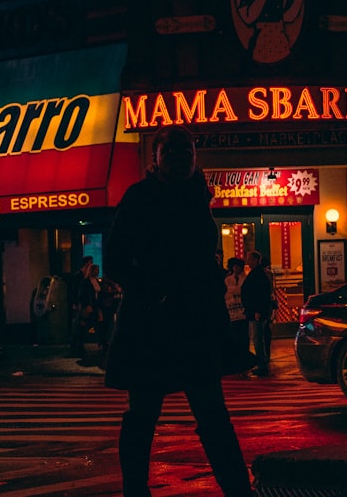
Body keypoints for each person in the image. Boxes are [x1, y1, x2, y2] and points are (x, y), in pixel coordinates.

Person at [103, 125, 252, 496]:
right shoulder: (140, 197)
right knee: (145, 414)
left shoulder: (197, 196)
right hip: (153, 322)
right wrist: (153, 291)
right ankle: (136, 491)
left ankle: (237, 489)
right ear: (155, 157)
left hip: (193, 322)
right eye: (170, 150)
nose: (180, 156)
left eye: (186, 149)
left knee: (209, 414)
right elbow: (115, 259)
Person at [242, 250, 273, 377]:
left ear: (255, 260)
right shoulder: (258, 273)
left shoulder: (258, 275)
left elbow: (260, 294)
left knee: (258, 338)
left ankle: (262, 364)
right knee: (258, 338)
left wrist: (257, 311)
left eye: (249, 258)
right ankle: (262, 362)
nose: (247, 261)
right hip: (254, 311)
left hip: (256, 312)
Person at [225, 257, 250, 375]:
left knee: (244, 337)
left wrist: (232, 291)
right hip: (232, 312)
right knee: (235, 337)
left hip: (243, 312)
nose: (235, 268)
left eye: (237, 266)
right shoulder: (228, 279)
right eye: (233, 266)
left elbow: (242, 290)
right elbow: (227, 293)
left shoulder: (246, 278)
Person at [67, 255, 94, 358]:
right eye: (90, 263)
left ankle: (79, 346)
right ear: (86, 264)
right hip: (79, 304)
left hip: (82, 304)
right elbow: (75, 290)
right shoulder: (79, 276)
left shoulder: (85, 276)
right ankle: (75, 347)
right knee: (77, 324)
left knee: (81, 324)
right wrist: (75, 302)